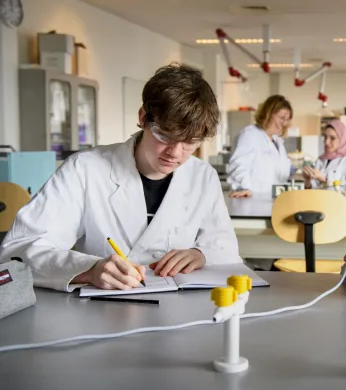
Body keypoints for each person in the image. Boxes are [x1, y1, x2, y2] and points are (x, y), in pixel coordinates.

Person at [0, 63, 240, 292]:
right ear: (144, 117)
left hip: (180, 312)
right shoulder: (85, 169)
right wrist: (88, 269)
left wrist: (201, 254)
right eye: (165, 136)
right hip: (98, 312)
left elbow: (226, 248)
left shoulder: (203, 177)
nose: (175, 153)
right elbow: (19, 251)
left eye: (190, 143)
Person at [227, 95, 293, 198]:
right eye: (282, 118)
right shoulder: (250, 134)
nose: (284, 123)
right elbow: (239, 165)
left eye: (287, 119)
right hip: (252, 200)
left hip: (273, 201)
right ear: (268, 113)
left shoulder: (277, 142)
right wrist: (243, 188)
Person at [303, 119, 346, 194]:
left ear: (342, 139)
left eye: (332, 138)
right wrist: (307, 181)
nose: (326, 142)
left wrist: (325, 179)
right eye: (325, 137)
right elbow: (311, 192)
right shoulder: (320, 160)